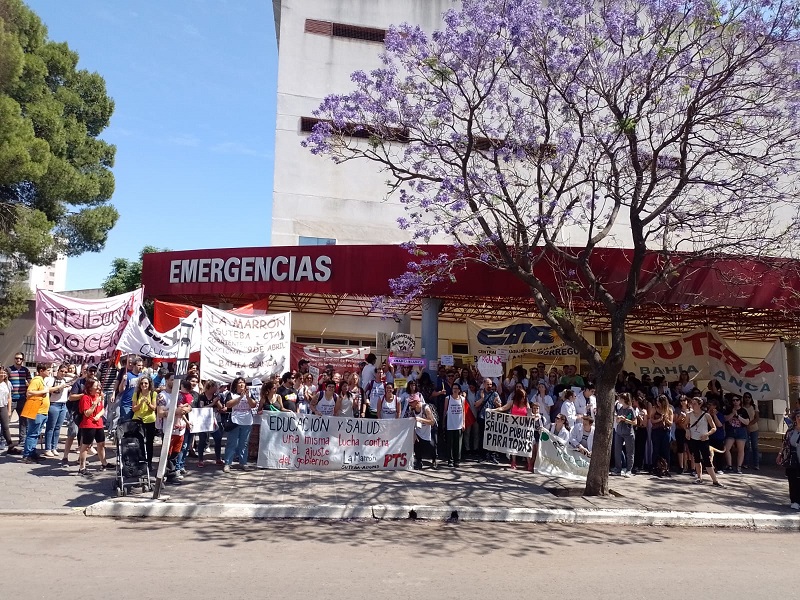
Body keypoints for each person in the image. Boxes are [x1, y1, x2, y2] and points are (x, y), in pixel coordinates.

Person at [77, 379, 112, 477]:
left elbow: (102, 409)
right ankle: (82, 467)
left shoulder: (99, 396)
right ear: (90, 387)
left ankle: (104, 463)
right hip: (88, 424)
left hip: (98, 424)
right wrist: (95, 403)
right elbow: (87, 413)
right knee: (86, 446)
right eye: (96, 386)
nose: (98, 388)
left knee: (101, 444)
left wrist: (99, 415)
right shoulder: (85, 398)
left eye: (99, 386)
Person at [21, 364, 55, 463]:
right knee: (32, 433)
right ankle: (27, 455)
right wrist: (43, 391)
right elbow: (29, 392)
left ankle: (32, 452)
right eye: (48, 370)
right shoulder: (36, 380)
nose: (50, 372)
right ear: (41, 371)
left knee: (36, 434)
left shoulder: (42, 381)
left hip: (42, 412)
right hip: (37, 411)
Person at [686, 396, 724, 487]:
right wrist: (687, 430)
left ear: (700, 404)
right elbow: (686, 425)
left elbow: (714, 428)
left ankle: (715, 480)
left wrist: (706, 434)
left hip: (704, 439)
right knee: (696, 457)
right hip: (693, 438)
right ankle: (699, 477)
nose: (692, 405)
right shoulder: (689, 414)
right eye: (692, 403)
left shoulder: (706, 415)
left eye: (694, 403)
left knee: (707, 459)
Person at [223, 377, 257, 473]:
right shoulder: (231, 394)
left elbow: (253, 405)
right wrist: (240, 398)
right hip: (235, 421)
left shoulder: (249, 394)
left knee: (244, 443)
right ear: (235, 385)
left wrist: (247, 397)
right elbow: (228, 405)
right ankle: (227, 463)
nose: (242, 385)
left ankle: (243, 462)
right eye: (239, 383)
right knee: (232, 443)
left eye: (243, 383)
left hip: (247, 421)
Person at [495, 388, 531, 470]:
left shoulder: (526, 404)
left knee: (525, 445)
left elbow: (529, 414)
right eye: (522, 397)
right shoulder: (512, 402)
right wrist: (493, 410)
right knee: (513, 445)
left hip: (524, 428)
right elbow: (503, 408)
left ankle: (529, 463)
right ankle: (513, 462)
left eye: (525, 397)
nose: (524, 399)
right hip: (513, 427)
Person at [43, 364, 71, 458]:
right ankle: (48, 448)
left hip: (63, 405)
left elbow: (76, 377)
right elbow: (48, 389)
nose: (63, 373)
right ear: (57, 371)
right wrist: (60, 387)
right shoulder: (51, 379)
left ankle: (54, 447)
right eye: (61, 371)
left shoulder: (65, 380)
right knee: (50, 427)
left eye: (65, 372)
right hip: (54, 404)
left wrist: (69, 374)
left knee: (58, 428)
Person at [132, 375, 158, 470]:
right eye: (142, 383)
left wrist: (147, 402)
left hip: (150, 420)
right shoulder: (136, 394)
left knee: (149, 442)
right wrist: (141, 403)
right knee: (138, 442)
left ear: (149, 384)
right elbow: (134, 409)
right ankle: (140, 462)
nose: (144, 385)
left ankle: (149, 462)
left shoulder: (153, 394)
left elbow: (154, 408)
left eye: (146, 383)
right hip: (138, 420)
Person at [777, 410, 800, 510]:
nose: (799, 418)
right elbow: (785, 443)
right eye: (798, 416)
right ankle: (794, 500)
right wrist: (780, 454)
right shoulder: (791, 430)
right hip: (792, 457)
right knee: (792, 479)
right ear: (795, 418)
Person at [8, 352, 32, 446]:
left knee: (23, 421)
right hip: (11, 399)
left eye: (20, 359)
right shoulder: (9, 370)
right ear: (14, 359)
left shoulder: (25, 370)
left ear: (23, 360)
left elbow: (30, 381)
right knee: (6, 421)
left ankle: (22, 439)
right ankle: (4, 440)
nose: (18, 360)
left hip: (22, 398)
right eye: (17, 358)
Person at [476, 378, 501, 463]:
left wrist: (496, 403)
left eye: (491, 384)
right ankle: (482, 456)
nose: (490, 386)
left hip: (492, 419)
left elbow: (500, 406)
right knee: (482, 437)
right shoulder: (480, 393)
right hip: (482, 417)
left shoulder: (495, 394)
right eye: (488, 384)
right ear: (484, 384)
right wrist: (482, 398)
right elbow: (476, 404)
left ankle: (492, 456)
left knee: (492, 437)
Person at [408, 392, 436, 469]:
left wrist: (421, 420)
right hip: (418, 430)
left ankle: (434, 459)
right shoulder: (412, 409)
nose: (410, 403)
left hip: (428, 430)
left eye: (411, 402)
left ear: (417, 402)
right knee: (417, 445)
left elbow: (432, 422)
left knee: (431, 446)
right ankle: (418, 461)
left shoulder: (425, 408)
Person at [723, 395, 750, 474]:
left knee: (740, 449)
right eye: (733, 400)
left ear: (740, 401)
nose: (735, 402)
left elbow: (747, 422)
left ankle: (739, 467)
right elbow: (725, 419)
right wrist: (732, 413)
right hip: (730, 430)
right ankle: (729, 465)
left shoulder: (743, 411)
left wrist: (738, 416)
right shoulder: (728, 409)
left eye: (737, 400)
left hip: (740, 430)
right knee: (726, 448)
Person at [612, 393, 636, 477]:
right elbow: (618, 421)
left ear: (624, 399)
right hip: (619, 432)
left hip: (628, 433)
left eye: (620, 398)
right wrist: (618, 419)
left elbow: (634, 422)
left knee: (630, 452)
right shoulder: (621, 408)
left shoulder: (630, 409)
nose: (618, 400)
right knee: (617, 451)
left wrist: (625, 419)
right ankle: (618, 469)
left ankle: (629, 470)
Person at [649, 394, 673, 476]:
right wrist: (659, 419)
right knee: (656, 449)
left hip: (665, 431)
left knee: (666, 450)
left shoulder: (669, 410)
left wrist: (666, 419)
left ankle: (666, 467)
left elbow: (671, 423)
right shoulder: (654, 408)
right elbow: (651, 420)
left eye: (659, 402)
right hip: (656, 431)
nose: (657, 403)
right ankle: (655, 467)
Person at [116, 356, 143, 425]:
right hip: (127, 404)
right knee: (125, 425)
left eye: (142, 365)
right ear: (134, 365)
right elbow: (121, 390)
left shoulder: (142, 376)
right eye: (139, 365)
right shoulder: (128, 375)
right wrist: (123, 381)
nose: (141, 367)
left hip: (137, 405)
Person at [444, 382, 465, 468]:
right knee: (450, 444)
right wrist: (443, 423)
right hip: (450, 424)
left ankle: (457, 460)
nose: (455, 390)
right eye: (454, 388)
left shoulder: (462, 399)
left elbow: (463, 411)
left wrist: (464, 423)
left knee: (458, 444)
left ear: (459, 390)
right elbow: (445, 411)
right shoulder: (448, 398)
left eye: (457, 388)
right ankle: (450, 460)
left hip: (459, 424)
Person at [0, 367, 20, 454]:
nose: (3, 375)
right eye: (1, 373)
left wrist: (9, 410)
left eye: (4, 373)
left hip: (2, 407)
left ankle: (10, 447)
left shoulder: (7, 383)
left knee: (5, 427)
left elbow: (9, 398)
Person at [742, 392, 760, 470]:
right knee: (746, 447)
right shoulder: (741, 407)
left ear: (751, 398)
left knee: (755, 447)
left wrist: (749, 424)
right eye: (745, 397)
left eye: (749, 397)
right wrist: (745, 425)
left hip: (754, 429)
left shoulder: (754, 406)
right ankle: (745, 463)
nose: (747, 398)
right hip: (744, 429)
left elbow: (757, 418)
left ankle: (756, 464)